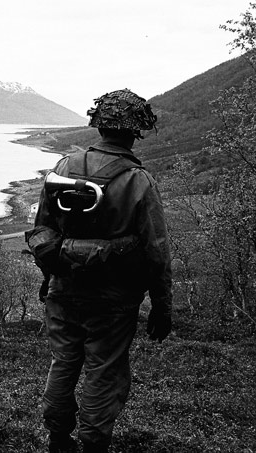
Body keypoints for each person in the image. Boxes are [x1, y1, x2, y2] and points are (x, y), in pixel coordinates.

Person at [29, 89, 172, 453]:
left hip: (63, 291)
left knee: (63, 364)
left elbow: (43, 231)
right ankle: (93, 444)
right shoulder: (139, 181)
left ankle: (59, 440)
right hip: (113, 302)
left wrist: (51, 279)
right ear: (136, 129)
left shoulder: (62, 167)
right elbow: (156, 252)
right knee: (103, 373)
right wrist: (161, 306)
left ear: (99, 124)